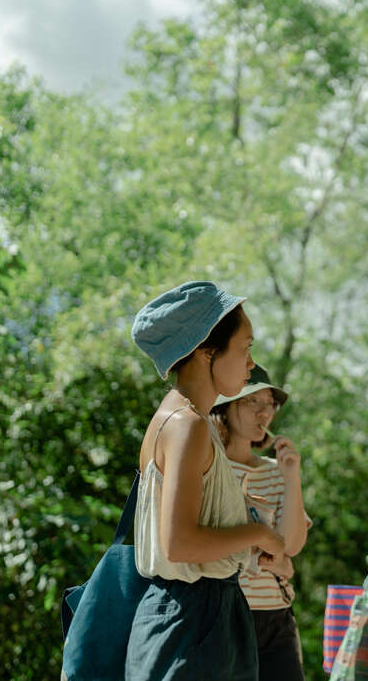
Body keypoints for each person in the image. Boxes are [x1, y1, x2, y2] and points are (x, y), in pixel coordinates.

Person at [127, 281, 286, 680]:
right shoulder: (187, 425)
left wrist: (247, 547)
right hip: (193, 621)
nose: (251, 364)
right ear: (206, 351)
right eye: (245, 348)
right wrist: (257, 534)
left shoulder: (185, 419)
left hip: (200, 615)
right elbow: (179, 543)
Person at [211, 363, 311, 680]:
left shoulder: (275, 470)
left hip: (276, 615)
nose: (263, 412)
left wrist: (291, 476)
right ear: (225, 406)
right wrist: (272, 557)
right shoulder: (209, 466)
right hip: (223, 613)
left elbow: (291, 546)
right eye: (251, 401)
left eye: (268, 404)